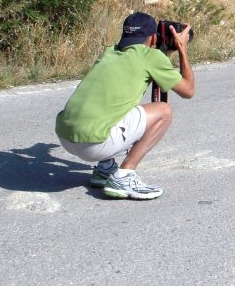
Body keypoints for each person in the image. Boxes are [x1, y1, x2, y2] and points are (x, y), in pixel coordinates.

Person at [55, 12, 194, 200]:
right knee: (163, 111)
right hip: (94, 145)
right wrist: (182, 49)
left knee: (111, 106)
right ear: (153, 37)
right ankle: (124, 176)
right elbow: (188, 91)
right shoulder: (151, 57)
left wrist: (163, 53)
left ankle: (105, 169)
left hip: (66, 137)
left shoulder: (109, 52)